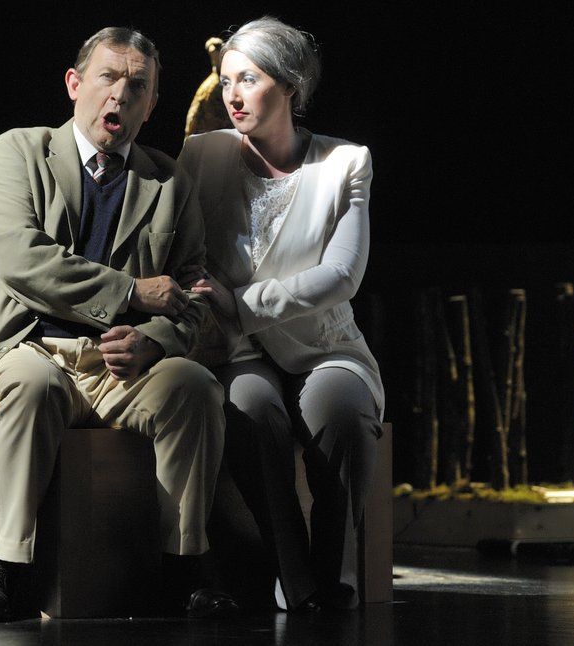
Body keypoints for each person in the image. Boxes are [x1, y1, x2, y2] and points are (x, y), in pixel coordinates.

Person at [0, 27, 237, 622]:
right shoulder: (18, 152)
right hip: (32, 347)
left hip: (122, 367)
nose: (120, 95)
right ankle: (3, 567)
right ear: (75, 83)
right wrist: (130, 292)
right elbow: (18, 258)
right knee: (29, 383)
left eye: (137, 86)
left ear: (152, 104)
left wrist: (153, 341)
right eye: (108, 77)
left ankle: (184, 568)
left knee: (194, 387)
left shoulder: (169, 181)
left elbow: (193, 294)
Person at [178, 17, 384, 611]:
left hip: (324, 345)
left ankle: (334, 579)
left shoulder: (344, 162)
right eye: (226, 81)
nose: (233, 95)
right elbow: (183, 251)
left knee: (342, 413)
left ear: (291, 84)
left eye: (249, 78)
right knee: (250, 408)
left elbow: (342, 275)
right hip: (235, 348)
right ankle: (296, 582)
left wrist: (242, 302)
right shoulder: (202, 154)